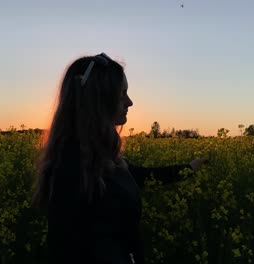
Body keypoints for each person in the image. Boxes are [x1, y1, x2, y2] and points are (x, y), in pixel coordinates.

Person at [32, 53, 207, 264]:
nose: (130, 102)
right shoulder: (72, 171)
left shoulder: (97, 158)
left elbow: (141, 176)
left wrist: (188, 168)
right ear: (100, 100)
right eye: (122, 93)